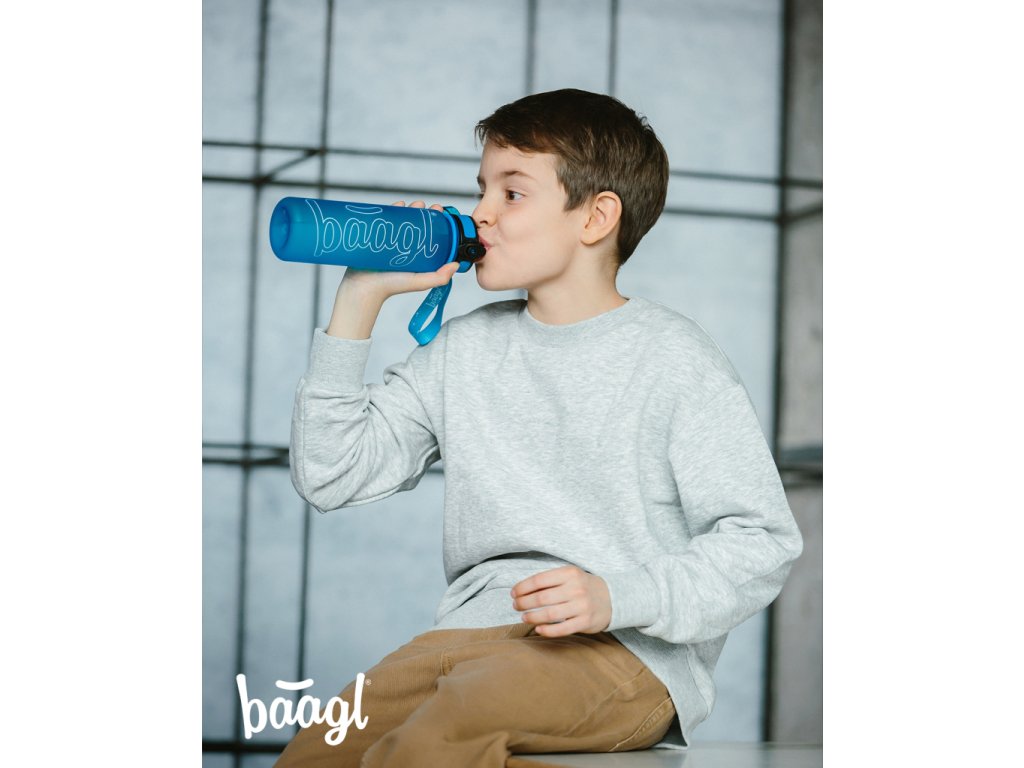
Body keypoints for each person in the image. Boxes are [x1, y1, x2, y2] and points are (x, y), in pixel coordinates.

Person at [275, 88, 803, 768]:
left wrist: (618, 596)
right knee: (320, 751)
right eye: (482, 189)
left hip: (619, 651)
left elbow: (762, 542)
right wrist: (359, 297)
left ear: (596, 217)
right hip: (464, 641)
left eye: (512, 192)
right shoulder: (463, 352)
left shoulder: (674, 359)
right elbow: (331, 474)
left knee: (441, 736)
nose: (481, 213)